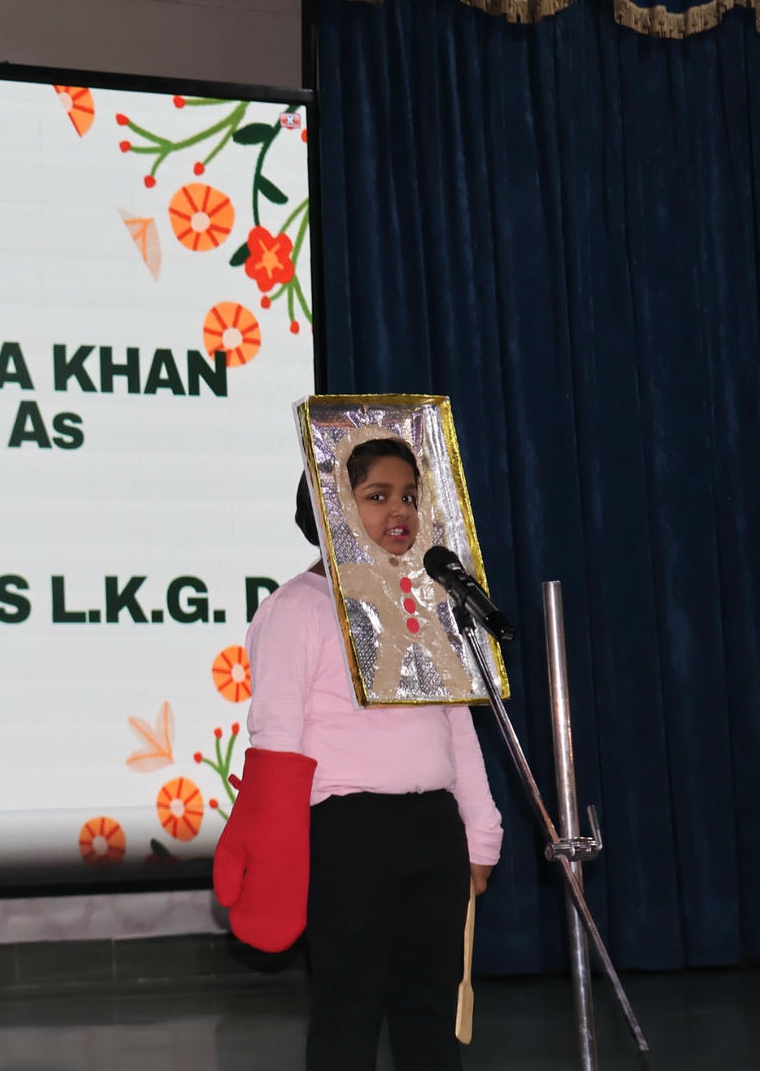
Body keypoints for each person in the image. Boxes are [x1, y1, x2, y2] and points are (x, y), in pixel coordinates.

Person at [213, 437, 503, 1071]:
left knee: (430, 1012)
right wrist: (274, 843)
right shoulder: (298, 608)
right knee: (349, 1009)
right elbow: (277, 733)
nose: (399, 510)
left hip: (433, 828)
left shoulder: (424, 602)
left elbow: (455, 721)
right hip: (348, 833)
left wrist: (480, 832)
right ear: (331, 509)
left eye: (409, 496)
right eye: (376, 496)